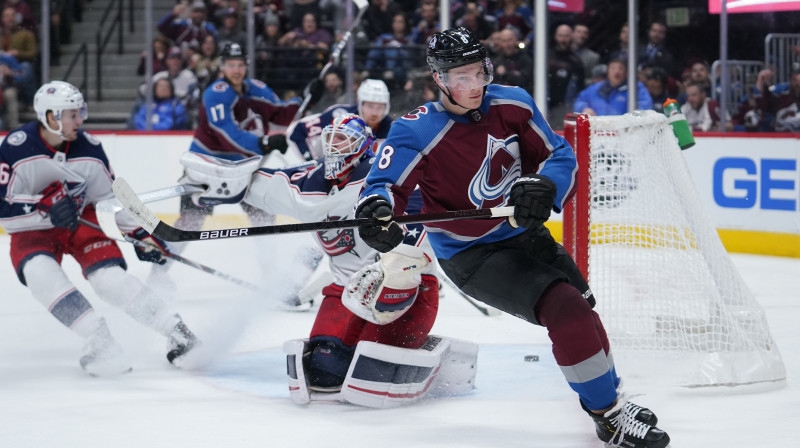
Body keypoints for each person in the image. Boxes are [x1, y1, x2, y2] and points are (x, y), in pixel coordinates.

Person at [354, 27, 670, 448]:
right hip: (472, 254)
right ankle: (608, 416)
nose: (473, 85)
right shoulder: (416, 130)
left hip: (524, 234)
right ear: (439, 80)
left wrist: (545, 186)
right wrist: (375, 209)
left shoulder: (514, 103)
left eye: (478, 72)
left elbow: (559, 155)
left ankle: (611, 396)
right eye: (460, 77)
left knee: (585, 310)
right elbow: (382, 185)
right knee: (567, 309)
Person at [178, 114, 439, 397]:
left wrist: (400, 264)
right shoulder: (308, 182)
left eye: (342, 140)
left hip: (404, 290)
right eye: (331, 139)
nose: (334, 147)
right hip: (345, 291)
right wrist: (217, 185)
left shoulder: (382, 177)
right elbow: (258, 186)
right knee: (322, 370)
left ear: (362, 147)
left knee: (372, 368)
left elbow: (420, 219)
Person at [0, 81, 199, 376]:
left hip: (82, 220)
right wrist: (42, 207)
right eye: (72, 114)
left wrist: (143, 235)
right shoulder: (16, 147)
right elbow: (4, 211)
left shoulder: (89, 148)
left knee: (111, 280)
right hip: (33, 230)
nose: (80, 120)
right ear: (51, 117)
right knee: (40, 274)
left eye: (80, 112)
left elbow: (110, 199)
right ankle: (100, 340)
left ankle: (178, 331)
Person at [286, 79, 392, 161]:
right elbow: (297, 131)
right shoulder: (340, 116)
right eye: (370, 106)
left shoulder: (394, 128)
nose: (374, 113)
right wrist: (311, 162)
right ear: (360, 104)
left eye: (380, 107)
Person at [573, 58, 653, 116]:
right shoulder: (596, 88)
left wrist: (633, 119)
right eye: (613, 68)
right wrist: (584, 108)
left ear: (625, 73)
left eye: (620, 68)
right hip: (598, 132)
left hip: (625, 133)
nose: (617, 71)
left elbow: (646, 106)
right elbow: (579, 100)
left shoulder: (635, 87)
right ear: (608, 72)